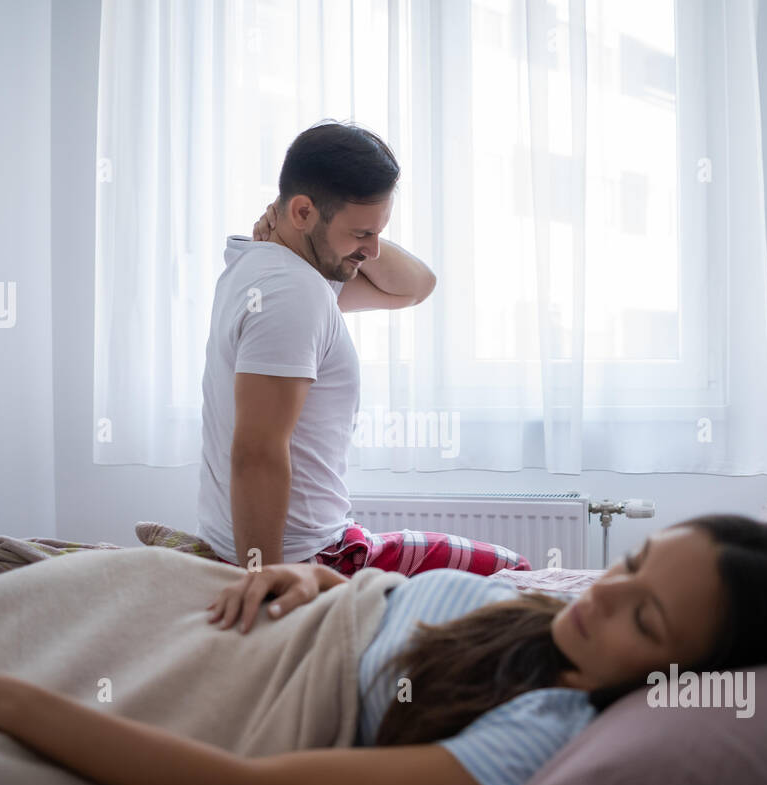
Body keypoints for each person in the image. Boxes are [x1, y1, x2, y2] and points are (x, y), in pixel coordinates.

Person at [0, 514, 767, 785]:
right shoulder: (544, 607)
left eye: (642, 614)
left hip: (250, 684)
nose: (601, 595)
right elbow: (394, 581)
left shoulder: (542, 737)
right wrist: (312, 570)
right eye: (632, 562)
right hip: (227, 603)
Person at [196, 119, 531, 577]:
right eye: (360, 235)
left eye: (378, 232)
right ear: (302, 213)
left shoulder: (265, 268)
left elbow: (416, 286)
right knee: (515, 572)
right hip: (311, 557)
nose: (372, 251)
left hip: (318, 541)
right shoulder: (291, 292)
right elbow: (257, 452)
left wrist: (356, 233)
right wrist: (263, 579)